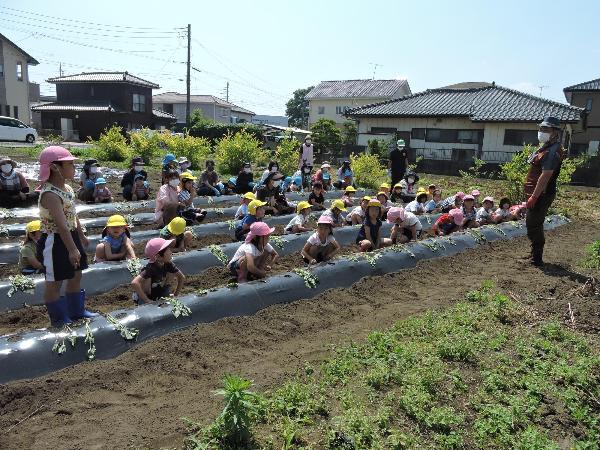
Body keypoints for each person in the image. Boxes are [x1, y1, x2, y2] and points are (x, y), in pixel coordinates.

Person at [36, 146, 96, 327]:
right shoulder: (49, 194)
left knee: (76, 275)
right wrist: (71, 249)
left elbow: (72, 215)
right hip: (55, 240)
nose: (74, 168)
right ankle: (59, 319)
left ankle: (76, 312)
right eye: (69, 164)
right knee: (55, 281)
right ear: (55, 167)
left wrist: (81, 235)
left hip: (70, 236)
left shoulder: (67, 188)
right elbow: (61, 225)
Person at [524, 116, 565, 266]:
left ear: (555, 132)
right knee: (535, 223)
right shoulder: (545, 147)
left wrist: (534, 196)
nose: (541, 131)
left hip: (542, 194)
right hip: (536, 193)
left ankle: (537, 258)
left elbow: (546, 175)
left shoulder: (553, 150)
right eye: (541, 128)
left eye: (546, 129)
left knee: (533, 224)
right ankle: (534, 254)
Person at [131, 238, 184, 303]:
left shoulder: (168, 263)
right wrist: (146, 300)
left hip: (157, 288)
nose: (171, 252)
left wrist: (175, 294)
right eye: (168, 250)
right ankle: (140, 299)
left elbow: (181, 277)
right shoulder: (151, 268)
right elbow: (134, 283)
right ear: (158, 257)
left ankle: (161, 294)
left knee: (171, 272)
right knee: (146, 280)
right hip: (147, 293)